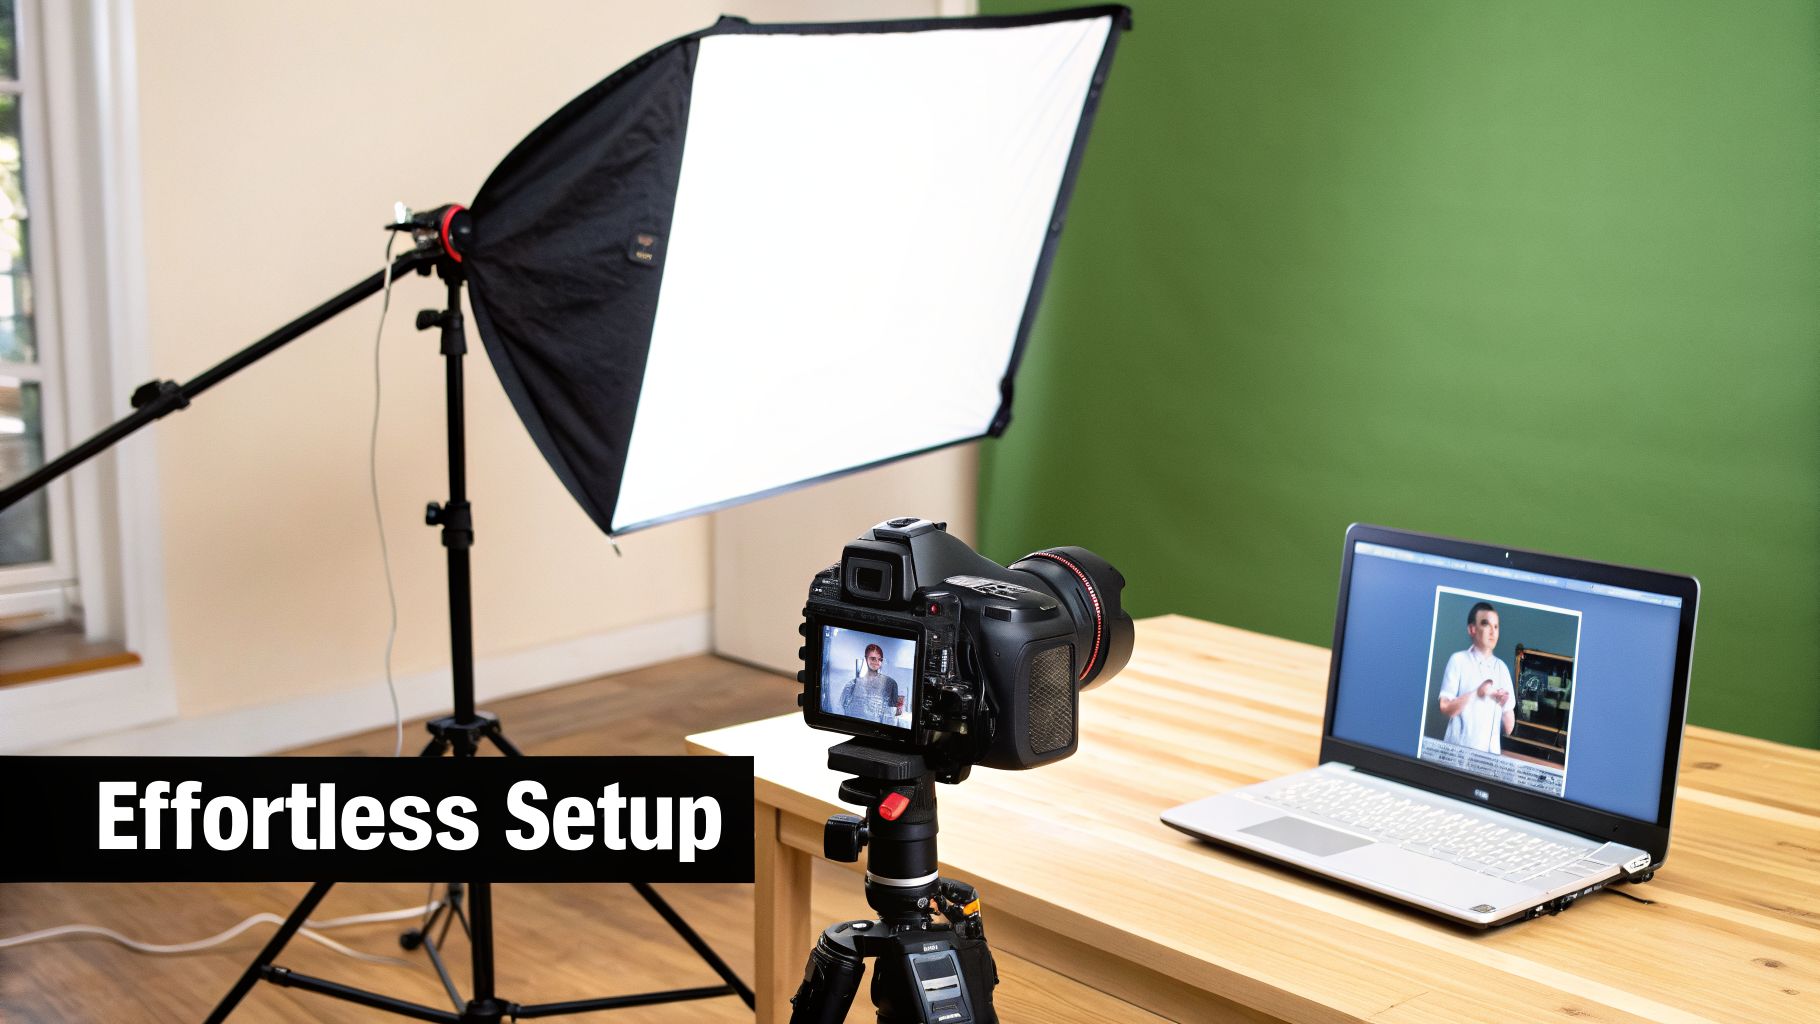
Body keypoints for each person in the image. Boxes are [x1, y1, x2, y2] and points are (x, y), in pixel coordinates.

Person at [1436, 602, 1515, 753]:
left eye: (1496, 626)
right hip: (1456, 755)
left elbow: (1509, 726)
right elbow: (1445, 707)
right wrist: (1476, 694)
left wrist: (1504, 704)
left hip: (1488, 760)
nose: (1493, 631)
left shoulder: (1502, 668)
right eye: (1486, 624)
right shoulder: (1458, 660)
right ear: (1472, 629)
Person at [841, 643, 902, 725]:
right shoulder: (852, 685)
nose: (877, 662)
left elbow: (893, 716)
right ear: (866, 659)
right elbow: (842, 710)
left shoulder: (890, 684)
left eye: (880, 659)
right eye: (873, 659)